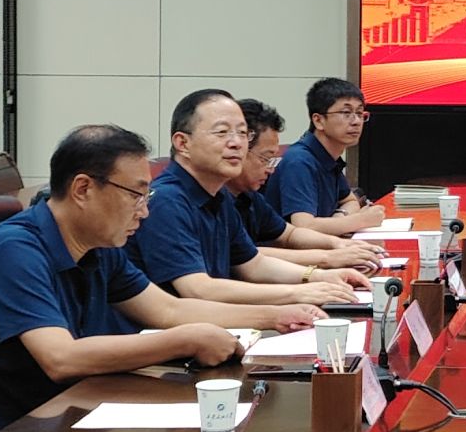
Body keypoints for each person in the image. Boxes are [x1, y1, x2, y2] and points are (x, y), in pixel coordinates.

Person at [0, 123, 283, 432]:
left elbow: (168, 310)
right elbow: (61, 358)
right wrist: (186, 339)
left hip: (55, 418)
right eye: (135, 195)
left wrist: (279, 315)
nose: (145, 211)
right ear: (83, 189)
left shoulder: (98, 245)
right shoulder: (16, 249)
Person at [131, 90, 371, 310]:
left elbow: (254, 265)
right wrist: (299, 292)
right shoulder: (167, 200)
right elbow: (198, 289)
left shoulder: (220, 196)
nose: (237, 143)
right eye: (222, 132)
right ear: (183, 143)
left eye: (242, 133)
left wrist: (319, 276)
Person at [235, 99, 382, 272]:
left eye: (360, 113)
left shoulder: (250, 197)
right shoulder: (298, 161)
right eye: (265, 158)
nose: (270, 169)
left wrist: (339, 243)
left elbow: (290, 234)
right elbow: (250, 255)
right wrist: (327, 258)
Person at [265, 78, 391, 237]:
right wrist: (360, 220)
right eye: (346, 113)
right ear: (318, 120)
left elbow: (350, 201)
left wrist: (339, 218)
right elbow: (304, 226)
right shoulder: (299, 161)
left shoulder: (327, 156)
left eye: (360, 113)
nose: (356, 121)